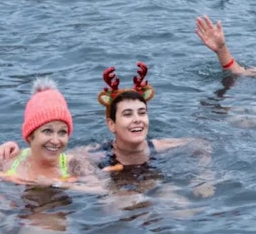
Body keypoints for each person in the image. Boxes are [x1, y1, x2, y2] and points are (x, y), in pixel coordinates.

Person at [0, 78, 99, 188]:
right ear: (30, 136)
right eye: (47, 131)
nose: (55, 140)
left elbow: (102, 191)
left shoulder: (74, 164)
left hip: (52, 210)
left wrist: (56, 184)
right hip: (10, 209)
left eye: (62, 132)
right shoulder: (8, 158)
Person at [83, 62, 215, 197]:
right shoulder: (100, 153)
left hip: (152, 181)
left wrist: (204, 176)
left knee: (177, 203)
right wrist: (89, 179)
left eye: (142, 113)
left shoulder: (157, 147)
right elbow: (64, 158)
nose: (137, 119)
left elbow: (201, 143)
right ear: (111, 124)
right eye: (127, 114)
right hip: (117, 190)